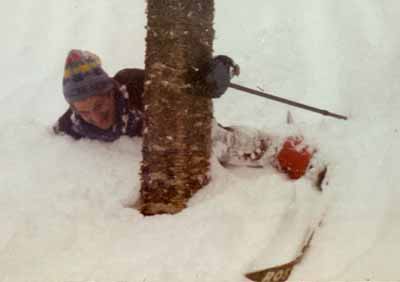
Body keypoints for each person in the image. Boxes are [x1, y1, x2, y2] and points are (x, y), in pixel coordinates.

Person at [54, 50, 327, 189]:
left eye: (100, 104)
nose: (95, 116)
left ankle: (285, 150)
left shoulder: (135, 84)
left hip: (173, 128)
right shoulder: (72, 125)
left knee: (219, 143)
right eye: (84, 110)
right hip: (147, 163)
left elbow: (180, 84)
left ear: (111, 89)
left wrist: (213, 73)